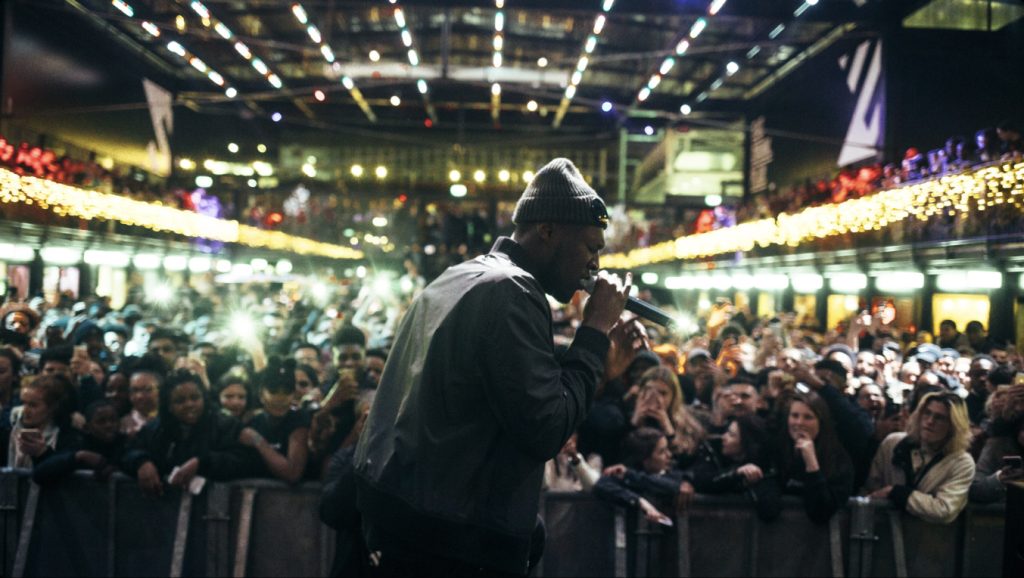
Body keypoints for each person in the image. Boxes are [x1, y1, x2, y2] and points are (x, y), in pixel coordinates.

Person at [354, 158, 643, 577]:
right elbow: (544, 428)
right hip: (449, 542)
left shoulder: (461, 277)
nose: (595, 265)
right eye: (591, 247)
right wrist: (595, 329)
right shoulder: (512, 292)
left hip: (410, 521)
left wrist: (599, 370)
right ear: (547, 230)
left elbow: (491, 406)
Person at [122, 369, 253, 496]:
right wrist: (141, 462)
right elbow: (127, 450)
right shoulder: (156, 428)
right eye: (180, 401)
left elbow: (245, 460)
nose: (189, 404)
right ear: (169, 406)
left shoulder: (225, 425)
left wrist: (202, 463)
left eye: (195, 398)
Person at [863, 391, 975, 524]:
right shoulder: (893, 444)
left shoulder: (961, 462)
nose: (930, 421)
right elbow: (872, 487)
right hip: (885, 530)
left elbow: (944, 509)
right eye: (927, 413)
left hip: (928, 538)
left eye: (939, 418)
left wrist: (896, 493)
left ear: (953, 425)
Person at [774, 391, 855, 524]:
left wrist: (811, 463)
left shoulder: (838, 458)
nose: (799, 422)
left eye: (808, 417)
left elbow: (822, 512)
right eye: (794, 416)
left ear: (821, 422)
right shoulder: (777, 448)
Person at [593, 428, 684, 526]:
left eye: (667, 449)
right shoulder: (627, 478)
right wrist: (640, 502)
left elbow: (674, 486)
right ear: (645, 459)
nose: (669, 455)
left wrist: (631, 475)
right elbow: (602, 485)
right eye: (661, 452)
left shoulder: (672, 473)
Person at [240, 359, 311, 483]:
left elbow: (292, 473)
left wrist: (258, 440)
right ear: (262, 394)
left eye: (286, 392)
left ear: (293, 395)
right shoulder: (253, 421)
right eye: (273, 392)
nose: (280, 398)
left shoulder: (299, 419)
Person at [8, 374, 78, 469]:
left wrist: (42, 452)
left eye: (33, 405)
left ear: (53, 407)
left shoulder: (68, 438)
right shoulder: (11, 430)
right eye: (23, 403)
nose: (25, 410)